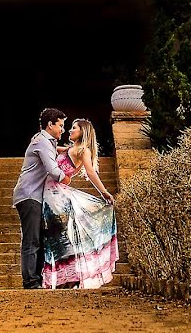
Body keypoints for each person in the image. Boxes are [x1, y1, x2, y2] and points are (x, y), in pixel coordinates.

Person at [42, 118, 119, 289]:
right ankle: (67, 277)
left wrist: (104, 192)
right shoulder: (71, 148)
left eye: (74, 128)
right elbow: (49, 146)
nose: (69, 131)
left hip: (56, 196)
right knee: (55, 235)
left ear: (83, 131)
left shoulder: (84, 150)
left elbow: (91, 173)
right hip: (52, 193)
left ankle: (70, 277)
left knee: (58, 236)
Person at [12, 108, 72, 289]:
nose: (63, 129)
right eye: (60, 125)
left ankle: (35, 280)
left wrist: (73, 149)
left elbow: (56, 149)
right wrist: (67, 179)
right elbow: (53, 171)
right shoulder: (42, 142)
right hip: (29, 195)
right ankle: (30, 281)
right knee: (32, 239)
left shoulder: (45, 141)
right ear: (50, 124)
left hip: (35, 197)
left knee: (38, 237)